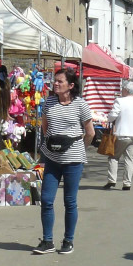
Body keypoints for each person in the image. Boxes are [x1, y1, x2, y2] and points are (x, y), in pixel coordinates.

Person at [34, 68, 94, 255]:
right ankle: (47, 241)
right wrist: (54, 143)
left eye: (60, 81)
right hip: (52, 158)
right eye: (55, 81)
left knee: (70, 201)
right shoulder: (50, 101)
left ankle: (68, 241)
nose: (56, 84)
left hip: (73, 159)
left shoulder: (80, 104)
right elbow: (45, 126)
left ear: (71, 85)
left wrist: (78, 150)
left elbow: (90, 132)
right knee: (46, 200)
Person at [105, 81, 133, 191]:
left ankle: (112, 180)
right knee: (130, 160)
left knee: (114, 157)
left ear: (126, 90)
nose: (121, 90)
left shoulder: (119, 101)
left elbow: (112, 116)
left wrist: (107, 118)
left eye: (122, 88)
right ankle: (127, 183)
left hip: (122, 134)